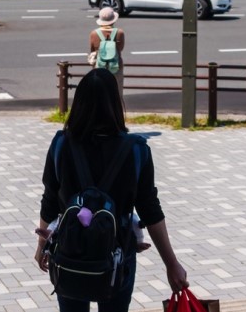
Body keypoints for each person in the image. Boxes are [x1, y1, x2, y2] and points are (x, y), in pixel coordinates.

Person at [36, 68, 188, 310]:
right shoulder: (136, 150)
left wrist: (41, 246)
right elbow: (150, 210)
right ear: (116, 103)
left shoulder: (61, 144)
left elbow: (50, 200)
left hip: (69, 252)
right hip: (118, 254)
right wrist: (171, 264)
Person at [90, 7, 126, 86]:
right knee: (117, 93)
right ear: (114, 20)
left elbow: (92, 50)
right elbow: (120, 48)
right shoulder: (120, 33)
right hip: (116, 66)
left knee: (100, 93)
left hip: (99, 67)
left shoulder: (94, 33)